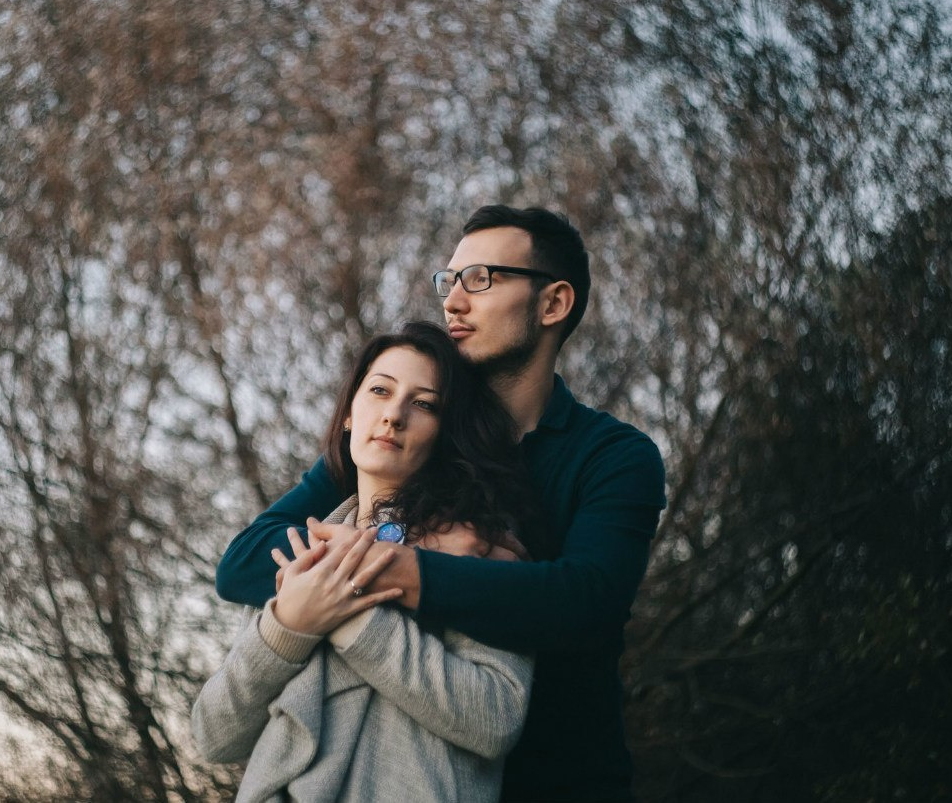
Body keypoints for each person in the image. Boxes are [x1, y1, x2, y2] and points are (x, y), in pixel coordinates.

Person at [215, 205, 667, 802]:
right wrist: (397, 555)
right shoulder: (408, 438)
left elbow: (587, 602)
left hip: (565, 782)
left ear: (553, 304)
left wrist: (407, 573)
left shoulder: (614, 456)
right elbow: (245, 561)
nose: (453, 301)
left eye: (481, 279)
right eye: (448, 280)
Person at [192, 322, 537, 801]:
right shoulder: (304, 551)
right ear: (350, 413)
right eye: (379, 390)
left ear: (445, 432)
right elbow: (213, 735)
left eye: (424, 404)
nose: (394, 415)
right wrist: (288, 627)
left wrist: (354, 616)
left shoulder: (478, 548)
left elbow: (495, 719)